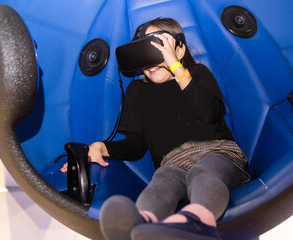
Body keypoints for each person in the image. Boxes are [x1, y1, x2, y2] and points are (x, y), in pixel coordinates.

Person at [61, 18, 250, 240]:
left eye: (157, 48)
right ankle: (143, 224)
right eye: (143, 52)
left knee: (203, 172)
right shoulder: (136, 91)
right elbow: (136, 146)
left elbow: (208, 112)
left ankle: (196, 223)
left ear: (179, 50)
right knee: (162, 181)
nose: (150, 61)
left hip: (219, 154)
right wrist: (102, 147)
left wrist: (176, 67)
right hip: (171, 163)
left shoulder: (197, 73)